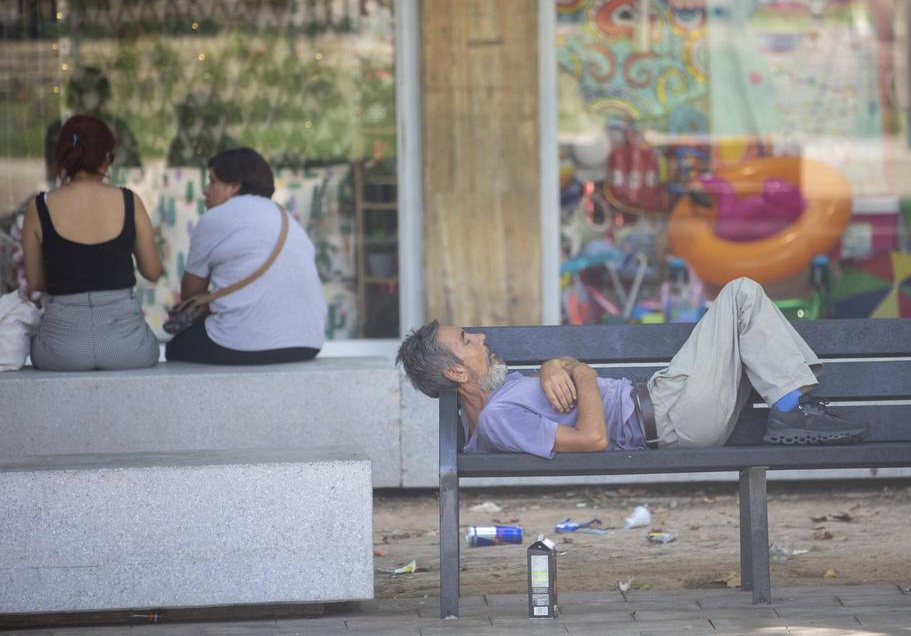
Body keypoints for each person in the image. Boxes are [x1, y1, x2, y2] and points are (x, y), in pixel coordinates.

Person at [397, 277, 867, 458]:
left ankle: (791, 407)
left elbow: (562, 382)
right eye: (467, 341)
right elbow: (593, 440)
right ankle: (790, 410)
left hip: (668, 404)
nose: (481, 338)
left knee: (742, 316)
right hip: (670, 416)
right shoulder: (499, 418)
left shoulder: (498, 401)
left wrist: (553, 364)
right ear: (456, 373)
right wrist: (580, 372)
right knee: (741, 293)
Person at [21, 115, 162, 370]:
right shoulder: (130, 202)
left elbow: (36, 282)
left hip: (60, 352)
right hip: (128, 348)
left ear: (63, 157)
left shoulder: (38, 208)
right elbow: (152, 271)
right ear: (107, 157)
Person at [165, 147, 326, 365]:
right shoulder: (287, 218)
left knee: (177, 346)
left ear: (234, 186)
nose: (205, 190)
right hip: (307, 343)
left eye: (212, 181)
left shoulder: (216, 217)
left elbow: (191, 294)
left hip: (239, 343)